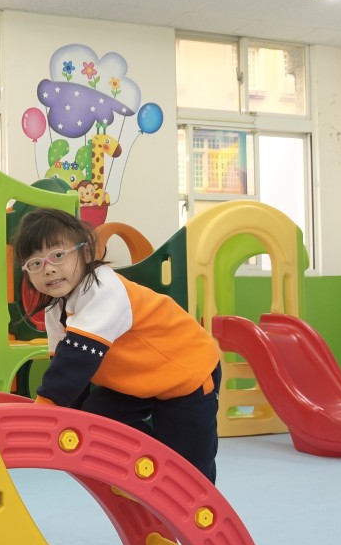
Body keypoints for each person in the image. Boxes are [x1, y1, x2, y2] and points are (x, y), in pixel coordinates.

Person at [12, 207, 222, 483]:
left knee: (188, 465)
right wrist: (66, 419)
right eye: (35, 264)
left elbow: (77, 358)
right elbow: (65, 370)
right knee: (97, 419)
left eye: (58, 255)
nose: (48, 268)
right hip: (137, 382)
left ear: (87, 253)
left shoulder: (103, 289)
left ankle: (181, 482)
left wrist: (45, 409)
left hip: (185, 375)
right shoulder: (55, 309)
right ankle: (147, 464)